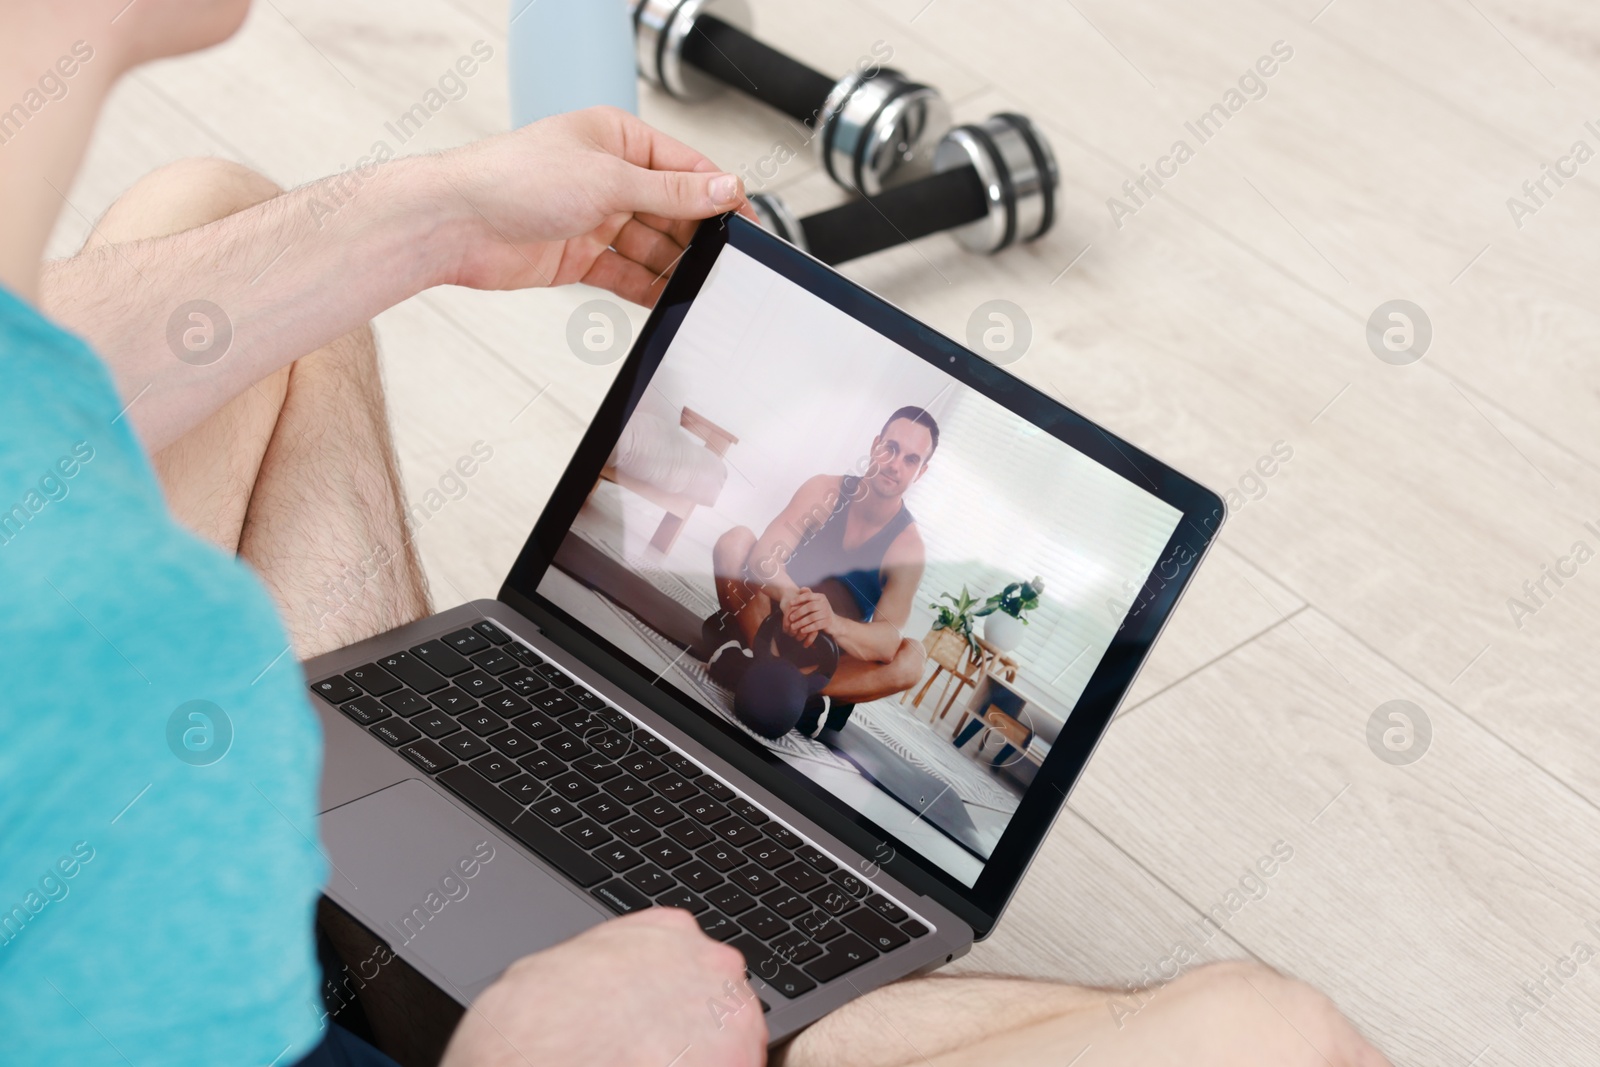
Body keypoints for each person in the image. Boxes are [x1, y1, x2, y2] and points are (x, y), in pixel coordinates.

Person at [0, 1, 1393, 1065]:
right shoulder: (104, 663)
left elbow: (889, 646)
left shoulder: (896, 540)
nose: (899, 456)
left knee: (208, 214)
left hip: (247, 882)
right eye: (896, 440)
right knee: (1274, 1032)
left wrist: (438, 215)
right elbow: (756, 557)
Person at [708, 408, 937, 737]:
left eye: (911, 459)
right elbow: (763, 558)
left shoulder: (909, 549)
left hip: (831, 658)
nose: (895, 464)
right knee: (735, 542)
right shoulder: (824, 491)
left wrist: (830, 621)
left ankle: (794, 686)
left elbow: (888, 642)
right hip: (771, 624)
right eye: (891, 448)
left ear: (921, 471)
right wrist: (790, 596)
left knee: (913, 657)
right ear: (875, 446)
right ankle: (769, 667)